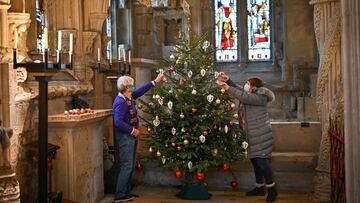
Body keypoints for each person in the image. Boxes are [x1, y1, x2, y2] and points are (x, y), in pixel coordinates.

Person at [215, 72, 278, 202]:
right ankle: (259, 187)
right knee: (255, 161)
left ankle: (272, 189)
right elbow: (240, 91)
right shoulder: (251, 94)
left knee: (262, 162)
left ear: (254, 87)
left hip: (260, 134)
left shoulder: (260, 97)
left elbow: (243, 97)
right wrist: (228, 80)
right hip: (252, 134)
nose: (245, 85)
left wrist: (227, 88)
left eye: (248, 84)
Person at [113, 73, 165, 202]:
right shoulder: (121, 102)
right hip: (126, 136)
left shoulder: (128, 97)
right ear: (126, 88)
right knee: (127, 165)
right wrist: (132, 130)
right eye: (131, 86)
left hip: (130, 135)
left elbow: (140, 91)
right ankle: (120, 195)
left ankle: (126, 192)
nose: (133, 88)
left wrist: (155, 81)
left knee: (130, 165)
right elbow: (117, 122)